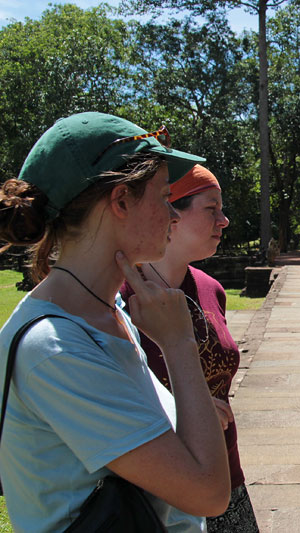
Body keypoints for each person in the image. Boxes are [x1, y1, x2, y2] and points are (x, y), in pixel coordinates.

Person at [0, 112, 230, 531]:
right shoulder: (55, 349)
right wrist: (179, 345)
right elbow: (209, 493)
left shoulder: (111, 313)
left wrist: (188, 413)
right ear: (121, 201)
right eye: (163, 197)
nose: (173, 216)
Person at [120, 164, 259, 532]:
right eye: (211, 208)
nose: (224, 220)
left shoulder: (211, 289)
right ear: (171, 213)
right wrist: (181, 408)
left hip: (227, 476)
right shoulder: (122, 299)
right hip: (162, 490)